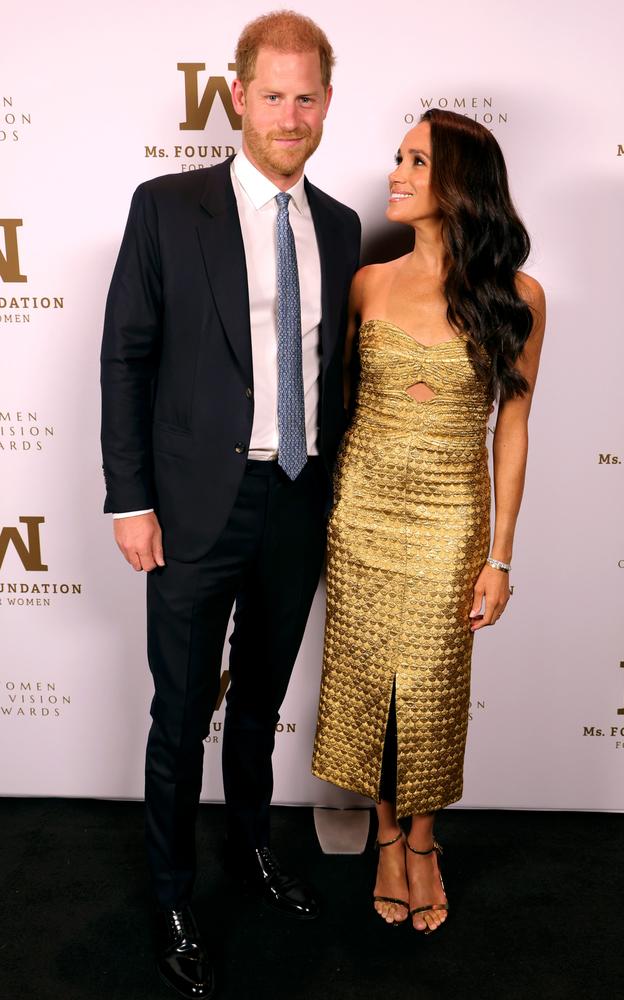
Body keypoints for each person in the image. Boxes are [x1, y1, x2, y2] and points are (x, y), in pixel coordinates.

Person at [100, 11, 360, 998]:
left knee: (257, 704)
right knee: (180, 717)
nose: (288, 116)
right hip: (192, 506)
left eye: (306, 97)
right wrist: (131, 499)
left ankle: (250, 853)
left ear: (325, 104)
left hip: (296, 498)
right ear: (238, 97)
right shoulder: (167, 208)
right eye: (272, 95)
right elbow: (125, 357)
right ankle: (172, 895)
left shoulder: (336, 225)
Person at [312, 108, 545, 934]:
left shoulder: (518, 297)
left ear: (458, 184)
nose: (396, 174)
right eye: (398, 157)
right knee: (371, 681)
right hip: (364, 510)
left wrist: (501, 556)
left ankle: (423, 840)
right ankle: (383, 835)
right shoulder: (368, 281)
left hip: (451, 516)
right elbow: (331, 404)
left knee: (434, 690)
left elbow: (511, 427)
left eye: (416, 161)